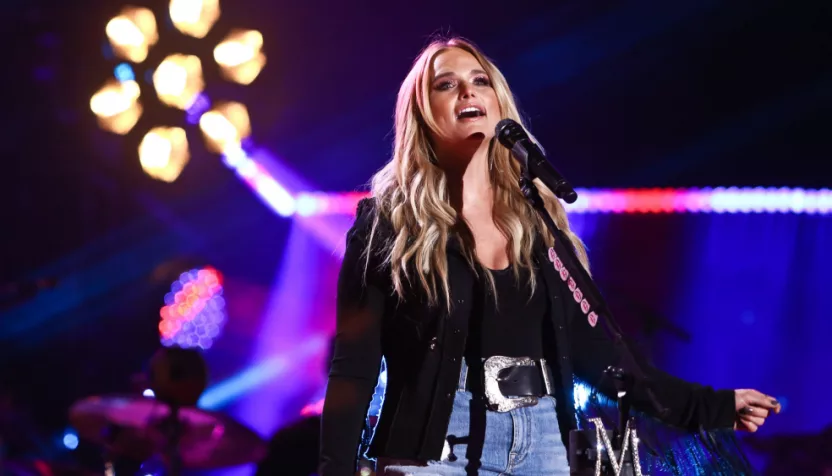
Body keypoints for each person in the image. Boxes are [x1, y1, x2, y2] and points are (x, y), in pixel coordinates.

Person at [318, 36, 781, 476]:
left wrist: (712, 406)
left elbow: (599, 354)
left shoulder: (536, 221)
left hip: (541, 442)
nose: (466, 91)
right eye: (446, 84)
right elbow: (353, 367)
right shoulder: (389, 223)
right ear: (423, 113)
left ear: (498, 103)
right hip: (436, 448)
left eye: (480, 81)